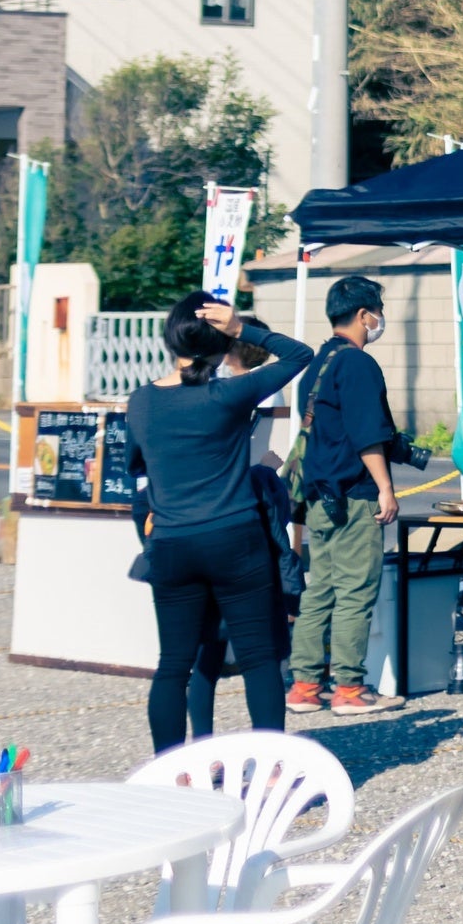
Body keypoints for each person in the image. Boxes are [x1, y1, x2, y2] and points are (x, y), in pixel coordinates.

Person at [126, 301, 315, 752]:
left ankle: (171, 777)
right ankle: (272, 769)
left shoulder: (142, 400)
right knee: (259, 660)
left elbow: (135, 464)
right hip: (235, 539)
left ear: (171, 339)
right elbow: (299, 355)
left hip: (172, 544)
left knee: (173, 665)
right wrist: (243, 328)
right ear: (222, 344)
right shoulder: (228, 395)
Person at [286, 274, 407, 714]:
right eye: (377, 311)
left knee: (321, 590)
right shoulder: (357, 364)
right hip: (354, 495)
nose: (380, 320)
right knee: (356, 592)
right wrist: (386, 488)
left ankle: (303, 687)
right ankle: (350, 690)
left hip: (318, 497)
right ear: (363, 314)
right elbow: (367, 435)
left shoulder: (318, 364)